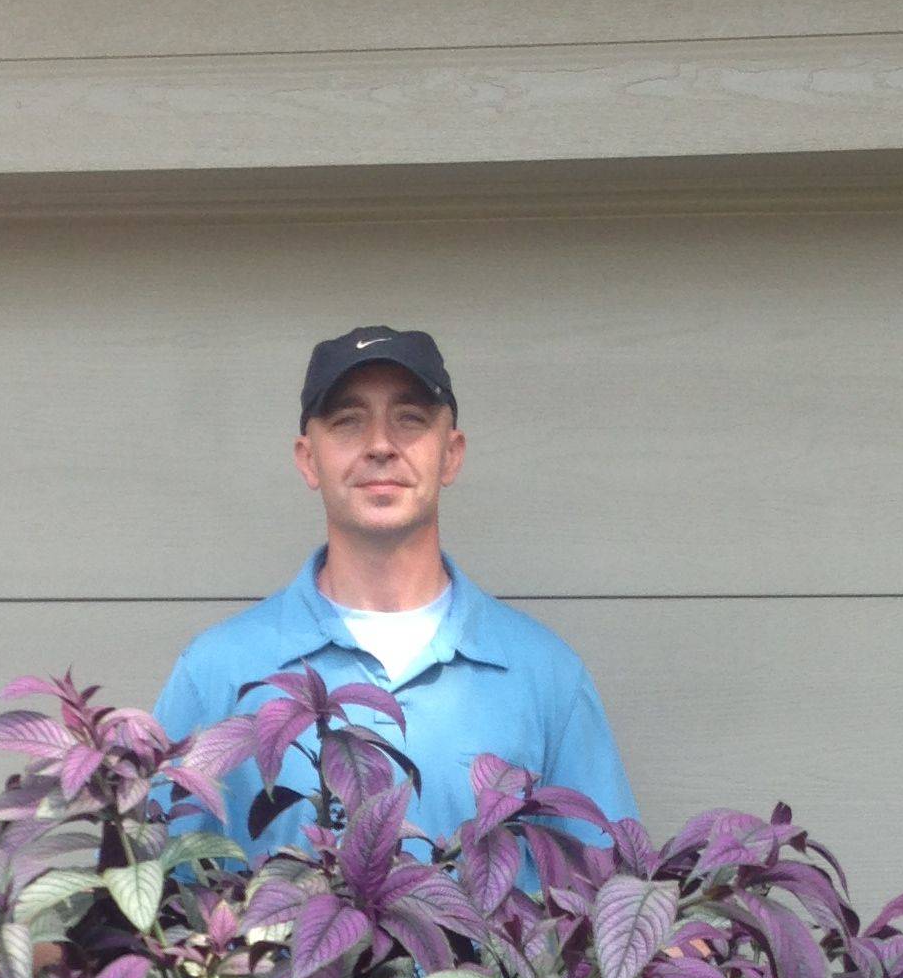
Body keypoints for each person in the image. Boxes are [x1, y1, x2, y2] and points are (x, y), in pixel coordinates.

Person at [153, 324, 638, 850]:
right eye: (348, 422)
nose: (380, 445)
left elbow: (612, 884)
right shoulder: (218, 672)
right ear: (308, 458)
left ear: (451, 454)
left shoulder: (545, 676)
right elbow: (133, 896)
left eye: (409, 420)